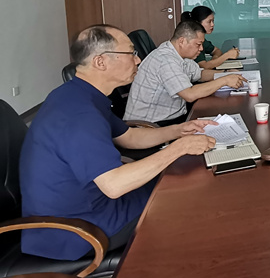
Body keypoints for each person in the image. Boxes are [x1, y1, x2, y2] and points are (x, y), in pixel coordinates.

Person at [19, 25, 218, 261]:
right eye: (131, 53)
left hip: (91, 206)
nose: (138, 59)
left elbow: (129, 136)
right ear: (101, 62)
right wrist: (179, 148)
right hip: (79, 229)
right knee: (187, 196)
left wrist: (178, 131)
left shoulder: (79, 94)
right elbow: (114, 185)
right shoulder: (79, 115)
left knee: (180, 179)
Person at [124, 21, 245, 125]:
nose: (201, 49)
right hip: (150, 126)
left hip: (173, 117)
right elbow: (189, 94)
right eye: (198, 44)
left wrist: (226, 74)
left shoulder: (180, 56)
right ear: (182, 41)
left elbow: (200, 74)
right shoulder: (165, 59)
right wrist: (224, 80)